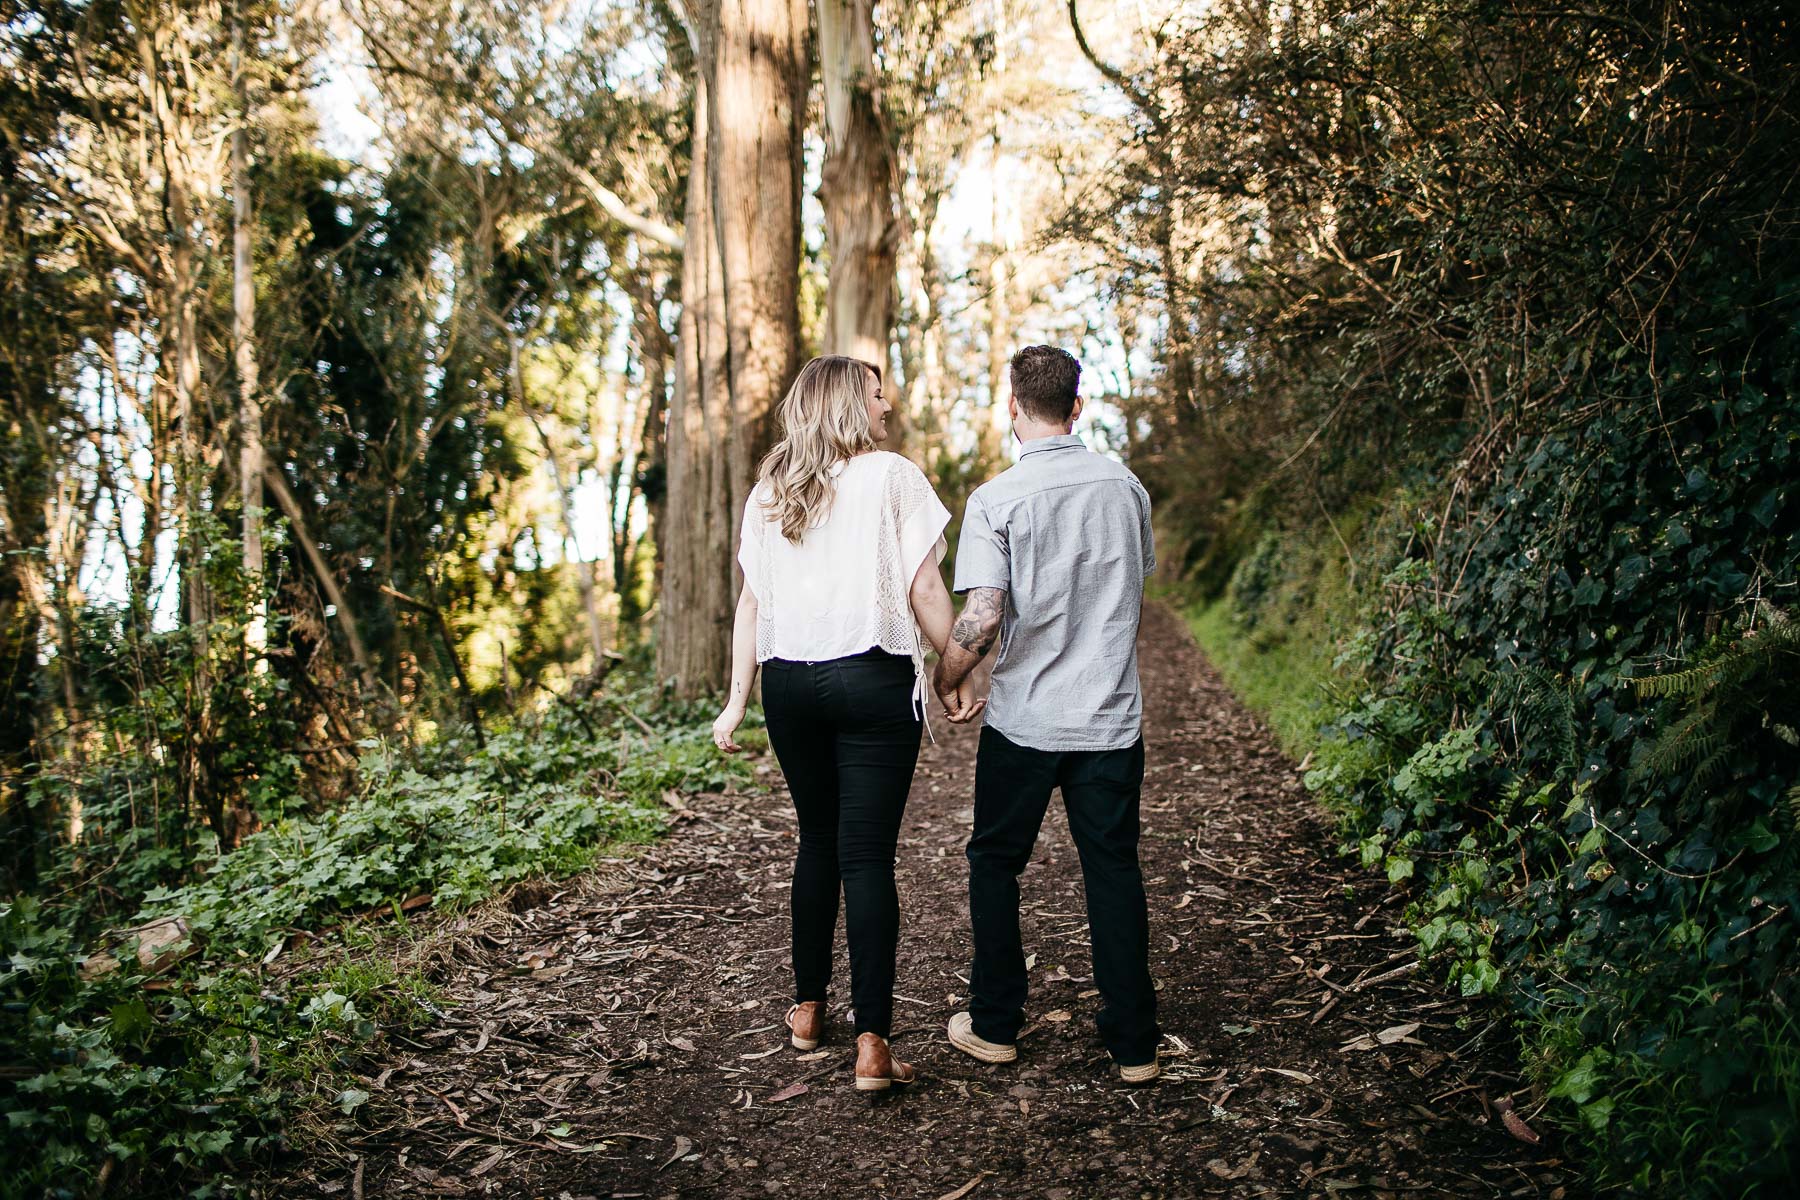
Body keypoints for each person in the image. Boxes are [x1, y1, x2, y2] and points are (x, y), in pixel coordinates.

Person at [710, 354, 965, 1091]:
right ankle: (873, 1047)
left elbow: (752, 606)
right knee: (867, 858)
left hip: (790, 685)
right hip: (873, 678)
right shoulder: (892, 475)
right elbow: (923, 587)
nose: (888, 406)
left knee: (817, 841)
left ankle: (808, 1009)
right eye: (879, 395)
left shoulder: (772, 489)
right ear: (852, 406)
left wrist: (736, 701)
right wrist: (957, 669)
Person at [932, 344, 1163, 1083]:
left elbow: (984, 615)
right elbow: (1137, 580)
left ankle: (996, 1024)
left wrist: (948, 677)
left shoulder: (997, 500)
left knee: (996, 864)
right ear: (1077, 406)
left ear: (1012, 410)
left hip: (1025, 725)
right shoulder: (1127, 489)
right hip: (1110, 721)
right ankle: (1135, 1043)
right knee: (1113, 871)